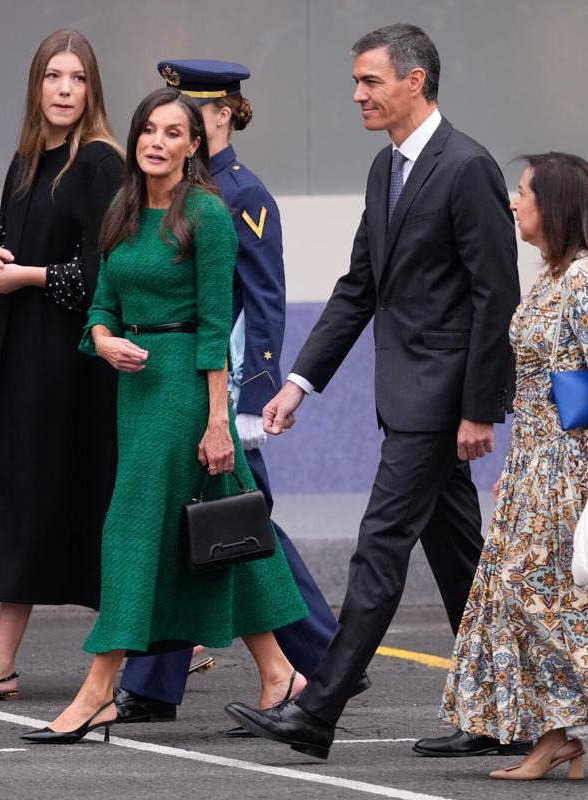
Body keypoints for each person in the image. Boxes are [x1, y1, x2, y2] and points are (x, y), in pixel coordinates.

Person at [224, 23, 522, 760]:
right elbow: (360, 287)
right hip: (411, 400)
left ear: (415, 81)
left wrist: (482, 407)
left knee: (378, 550)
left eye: (370, 81)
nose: (357, 94)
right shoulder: (385, 170)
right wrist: (299, 383)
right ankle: (501, 711)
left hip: (440, 405)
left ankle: (316, 711)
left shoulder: (467, 167)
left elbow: (498, 297)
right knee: (460, 562)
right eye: (356, 82)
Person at [21, 88, 309, 744]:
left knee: (131, 531)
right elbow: (102, 302)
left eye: (172, 132)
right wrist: (99, 337)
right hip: (137, 388)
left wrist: (217, 422)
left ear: (192, 146)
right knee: (214, 536)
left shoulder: (206, 214)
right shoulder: (123, 209)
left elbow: (215, 325)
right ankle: (280, 674)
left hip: (185, 388)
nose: (156, 141)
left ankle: (99, 688)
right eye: (148, 130)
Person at [113, 60, 362, 732]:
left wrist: (251, 399)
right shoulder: (172, 190)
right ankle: (172, 679)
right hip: (177, 386)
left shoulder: (240, 196)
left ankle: (320, 662)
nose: (178, 128)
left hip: (222, 392)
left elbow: (262, 300)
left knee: (238, 529)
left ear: (223, 114)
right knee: (219, 526)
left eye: (193, 113)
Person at [439, 152, 588, 780]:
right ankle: (554, 736)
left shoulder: (586, 279)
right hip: (533, 464)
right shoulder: (549, 278)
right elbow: (534, 387)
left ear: (557, 206)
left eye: (523, 193)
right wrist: (517, 466)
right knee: (522, 591)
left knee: (541, 591)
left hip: (569, 464)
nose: (513, 203)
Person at [0, 30, 124, 703]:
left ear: (91, 88)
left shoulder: (100, 162)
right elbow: (5, 249)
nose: (64, 89)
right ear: (36, 86)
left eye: (76, 78)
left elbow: (104, 275)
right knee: (27, 505)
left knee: (80, 505)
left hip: (75, 371)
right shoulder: (26, 161)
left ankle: (141, 658)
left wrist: (26, 277)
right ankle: (3, 660)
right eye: (53, 77)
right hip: (21, 363)